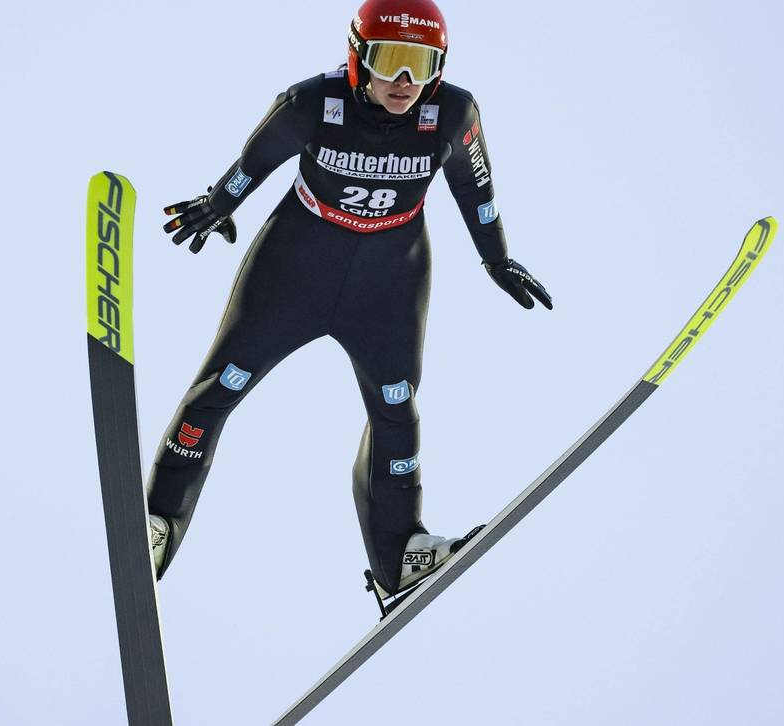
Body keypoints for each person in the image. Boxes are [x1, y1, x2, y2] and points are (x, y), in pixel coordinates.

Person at [149, 0, 552, 598]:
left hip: (388, 281)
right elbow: (250, 165)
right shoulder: (310, 103)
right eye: (391, 61)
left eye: (421, 63)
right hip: (295, 267)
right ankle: (158, 520)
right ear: (358, 57)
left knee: (397, 409)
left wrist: (495, 258)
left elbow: (477, 188)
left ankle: (401, 556)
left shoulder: (452, 113)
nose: (406, 82)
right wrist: (216, 207)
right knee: (220, 387)